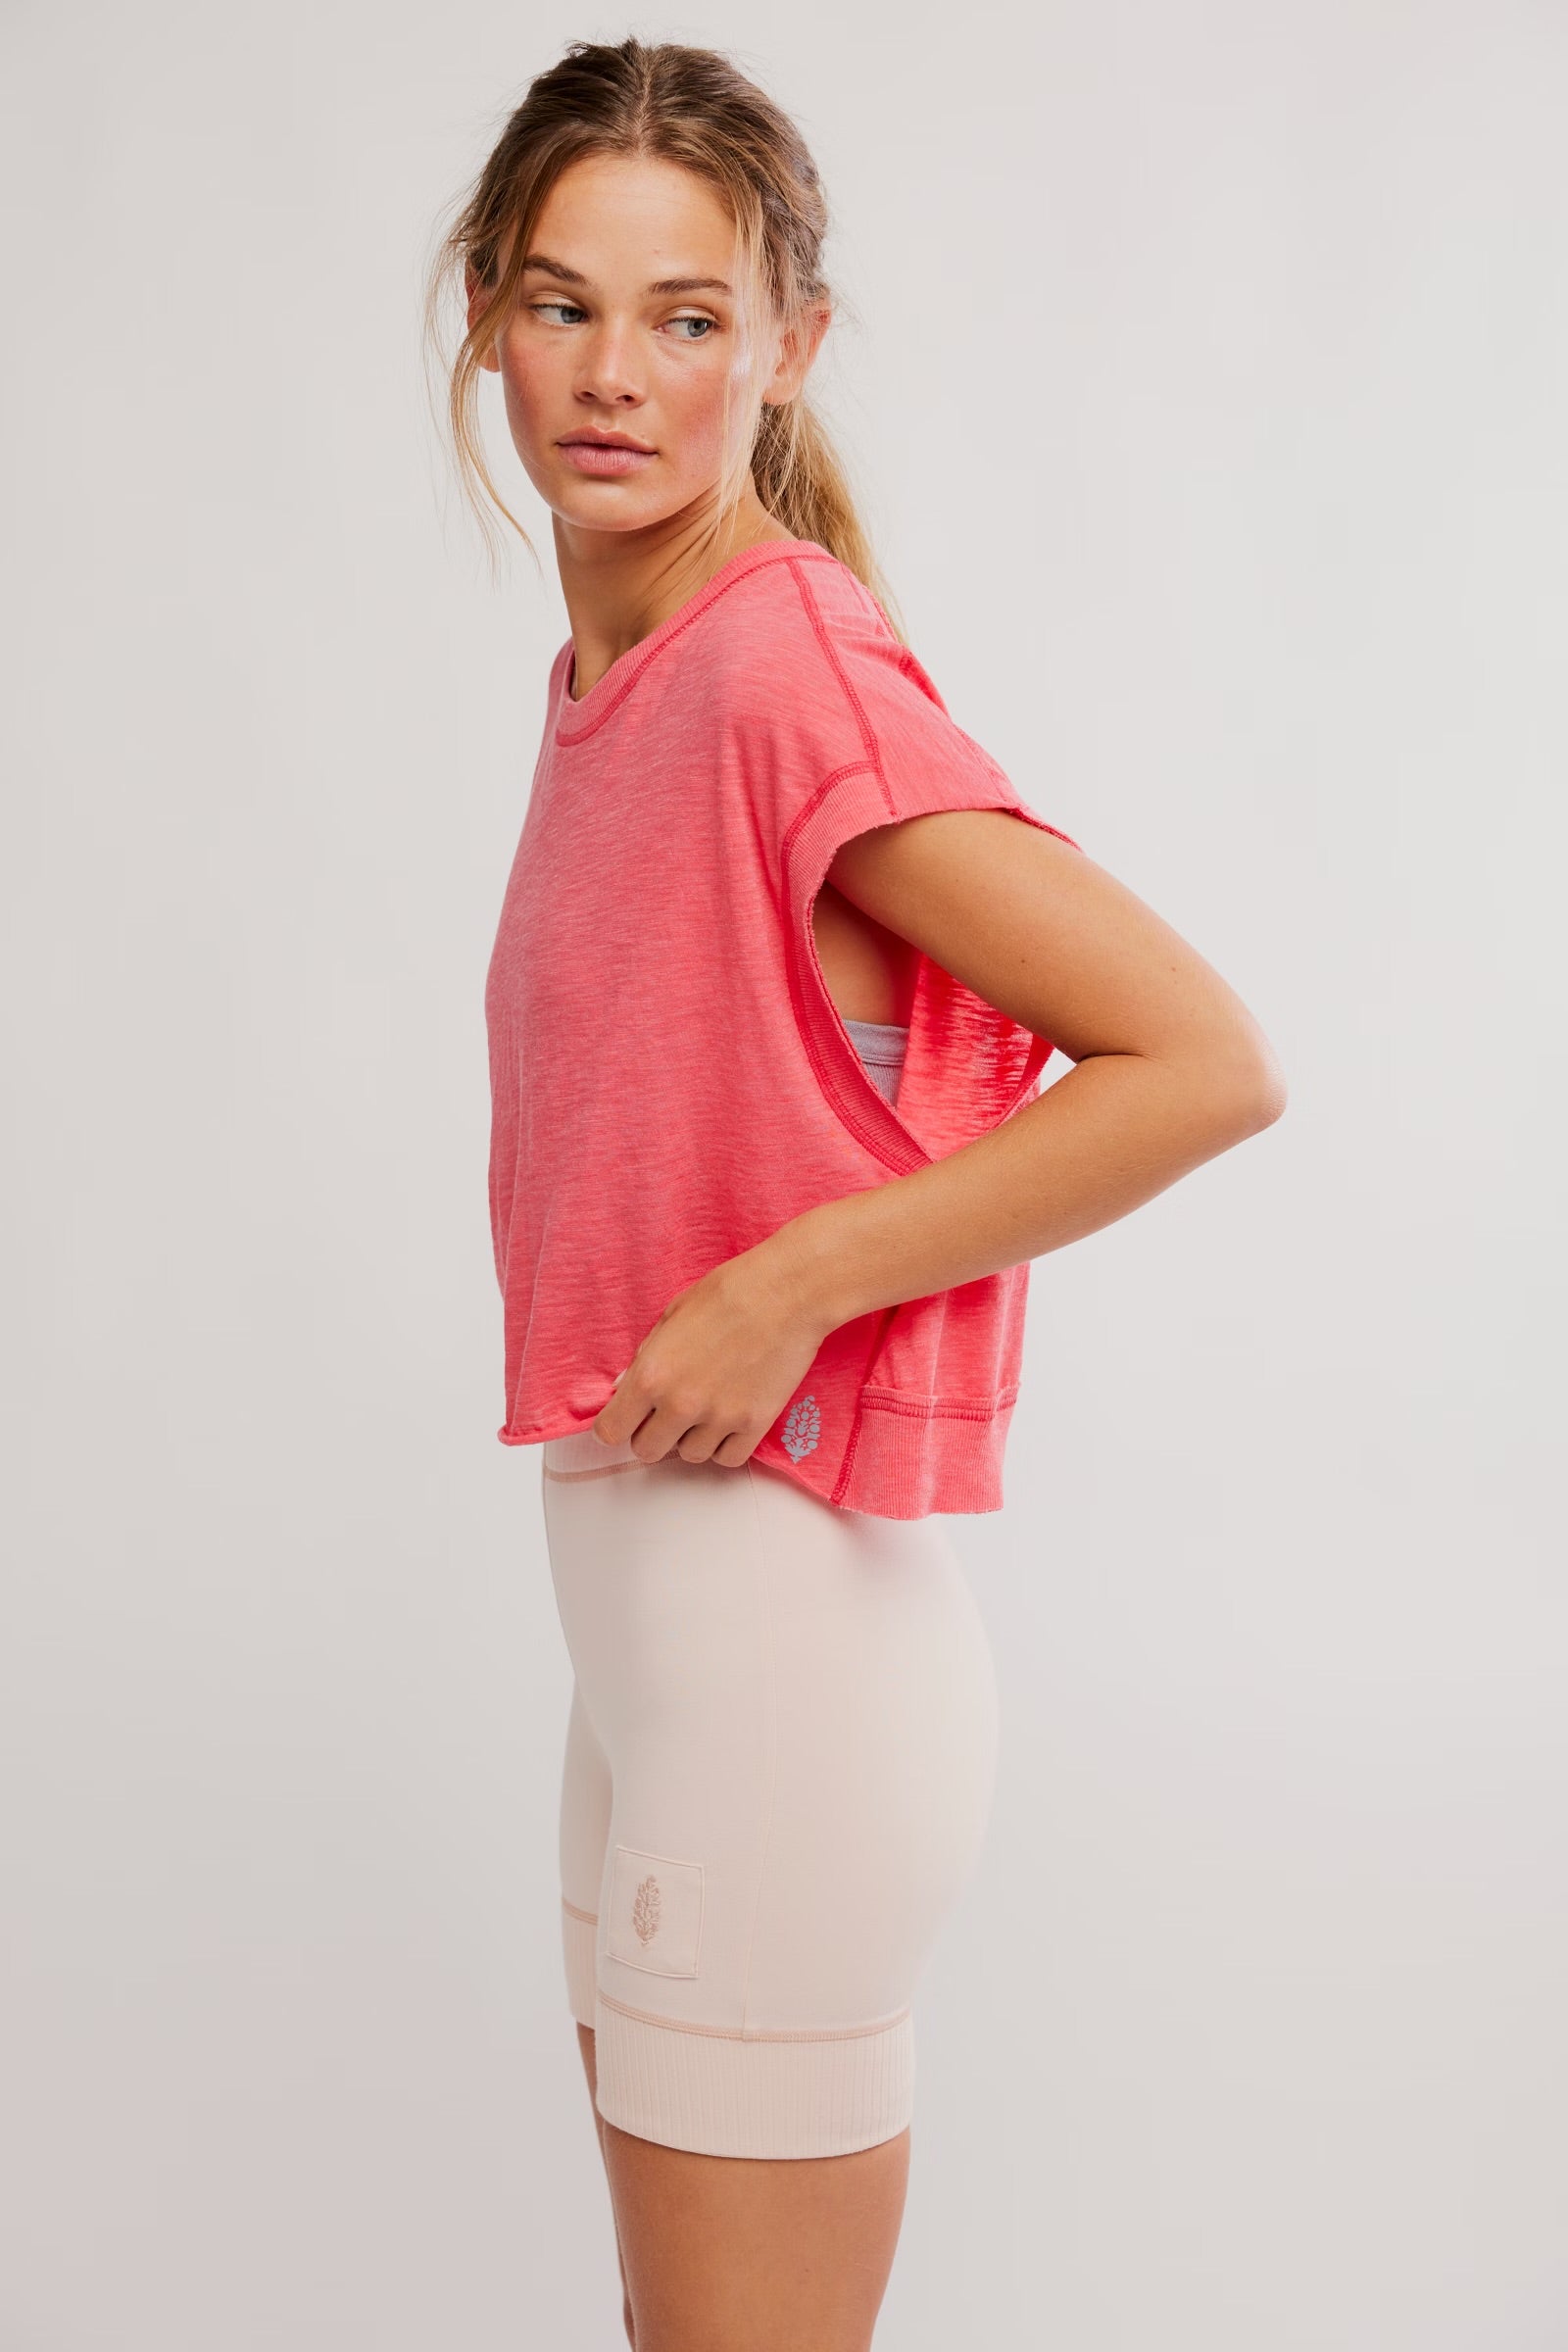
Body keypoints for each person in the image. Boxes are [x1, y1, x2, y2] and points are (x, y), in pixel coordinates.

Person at [425, 35, 1286, 2352]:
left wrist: (788, 1287)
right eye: (558, 300)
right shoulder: (615, 670)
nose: (612, 375)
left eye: (686, 316)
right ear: (483, 317)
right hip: (651, 1642)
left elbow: (1195, 1058)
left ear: (786, 345)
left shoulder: (774, 661)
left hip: (779, 1648)